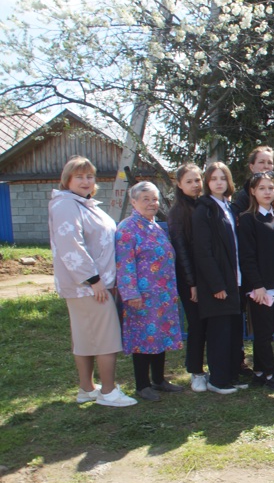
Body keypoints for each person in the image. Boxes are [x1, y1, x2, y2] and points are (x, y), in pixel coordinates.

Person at [48, 156, 137, 407]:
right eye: (80, 176)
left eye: (90, 176)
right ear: (67, 180)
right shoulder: (66, 205)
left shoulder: (83, 203)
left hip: (93, 284)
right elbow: (71, 244)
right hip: (88, 286)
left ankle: (87, 389)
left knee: (85, 337)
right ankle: (108, 392)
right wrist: (93, 280)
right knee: (106, 337)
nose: (86, 181)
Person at [116, 181, 185, 402]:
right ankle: (142, 384)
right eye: (145, 199)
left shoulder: (155, 226)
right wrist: (131, 293)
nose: (151, 203)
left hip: (162, 296)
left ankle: (159, 379)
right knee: (142, 339)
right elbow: (124, 264)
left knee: (160, 336)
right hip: (141, 297)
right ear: (134, 201)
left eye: (154, 199)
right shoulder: (127, 229)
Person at [192, 162, 245, 395]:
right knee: (219, 333)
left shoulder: (229, 207)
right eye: (214, 179)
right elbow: (203, 251)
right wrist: (217, 284)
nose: (219, 182)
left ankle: (231, 375)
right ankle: (218, 379)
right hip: (218, 284)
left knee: (233, 331)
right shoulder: (204, 209)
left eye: (223, 178)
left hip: (235, 281)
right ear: (207, 183)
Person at [238, 171, 274, 392]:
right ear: (252, 191)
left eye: (270, 188)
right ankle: (270, 374)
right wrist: (257, 285)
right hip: (260, 288)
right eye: (262, 188)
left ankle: (260, 371)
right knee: (262, 332)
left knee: (268, 330)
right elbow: (247, 256)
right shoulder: (247, 219)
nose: (267, 192)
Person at [167, 163, 209, 392]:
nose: (195, 185)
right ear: (179, 184)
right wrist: (191, 283)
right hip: (190, 278)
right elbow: (181, 250)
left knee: (210, 324)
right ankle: (196, 371)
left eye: (198, 180)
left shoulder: (204, 205)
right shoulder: (178, 212)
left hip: (209, 275)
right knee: (197, 325)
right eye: (189, 181)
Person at [232, 146, 274, 212]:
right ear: (252, 167)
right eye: (261, 162)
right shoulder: (244, 197)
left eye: (269, 163)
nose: (266, 166)